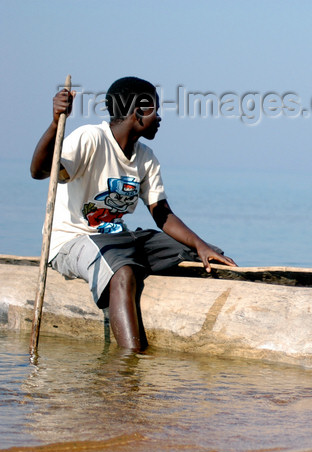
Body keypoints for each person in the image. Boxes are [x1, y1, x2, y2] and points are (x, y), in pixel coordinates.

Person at [30, 76, 237, 351]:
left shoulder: (146, 157)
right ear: (138, 112)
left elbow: (162, 214)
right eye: (155, 110)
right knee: (124, 274)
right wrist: (57, 123)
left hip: (116, 238)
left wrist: (201, 244)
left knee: (203, 255)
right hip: (73, 241)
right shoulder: (91, 138)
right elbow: (41, 171)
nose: (160, 118)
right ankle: (129, 364)